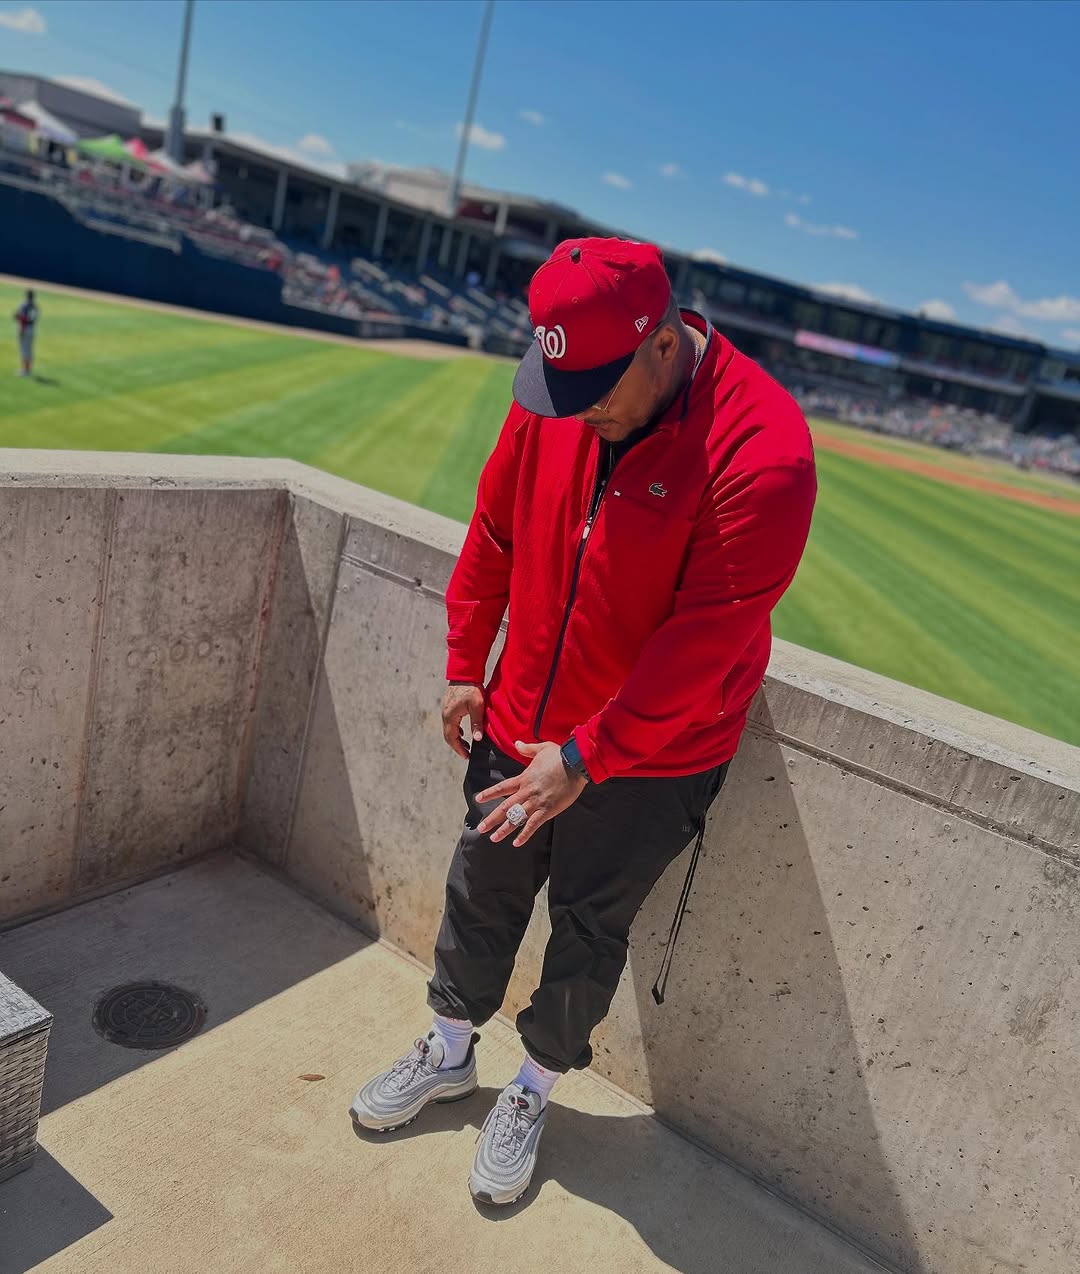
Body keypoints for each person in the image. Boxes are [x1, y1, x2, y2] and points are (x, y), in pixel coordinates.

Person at [350, 237, 817, 1206]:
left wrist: (591, 753)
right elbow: (493, 528)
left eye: (597, 388)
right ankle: (447, 1048)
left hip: (652, 753)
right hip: (520, 714)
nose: (575, 410)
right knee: (481, 882)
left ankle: (532, 1088)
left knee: (589, 928)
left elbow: (707, 641)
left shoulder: (764, 450)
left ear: (660, 344)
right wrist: (462, 664)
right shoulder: (563, 395)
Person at [14, 289, 38, 377]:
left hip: (25, 328)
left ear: (26, 295)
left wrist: (21, 329)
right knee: (29, 349)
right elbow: (32, 318)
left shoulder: (25, 305)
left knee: (24, 350)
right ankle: (28, 369)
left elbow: (23, 319)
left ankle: (25, 370)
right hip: (32, 329)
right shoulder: (35, 306)